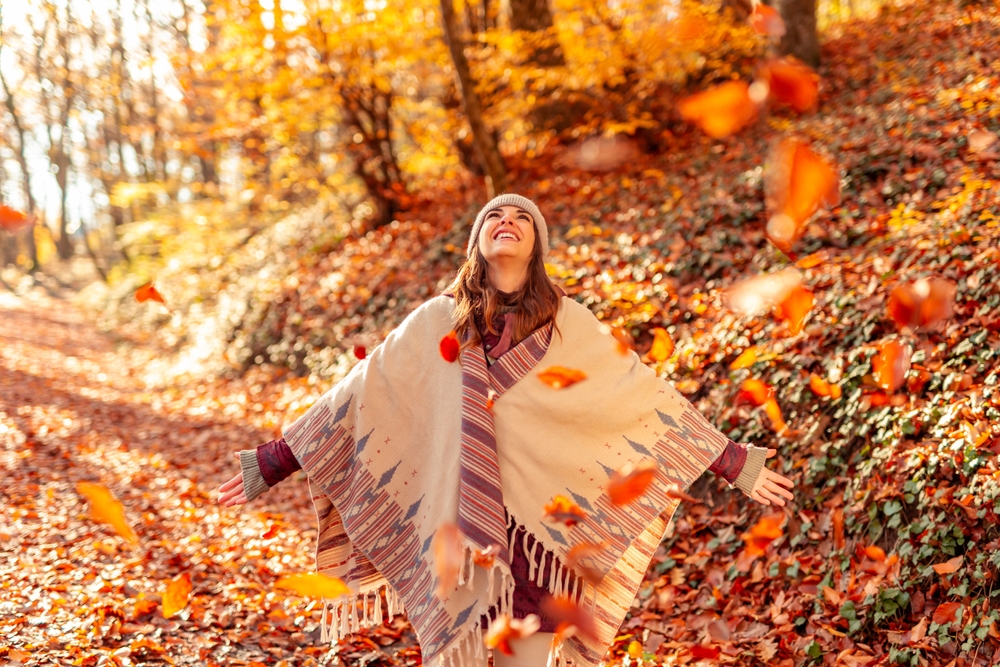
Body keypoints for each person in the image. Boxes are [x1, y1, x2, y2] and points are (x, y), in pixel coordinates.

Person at [218, 193, 794, 667]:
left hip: (542, 543)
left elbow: (642, 400)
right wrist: (269, 464)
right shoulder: (436, 323)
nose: (507, 222)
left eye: (522, 217)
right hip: (461, 537)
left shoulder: (571, 325)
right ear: (478, 242)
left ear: (536, 243)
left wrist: (734, 462)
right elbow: (358, 398)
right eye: (495, 215)